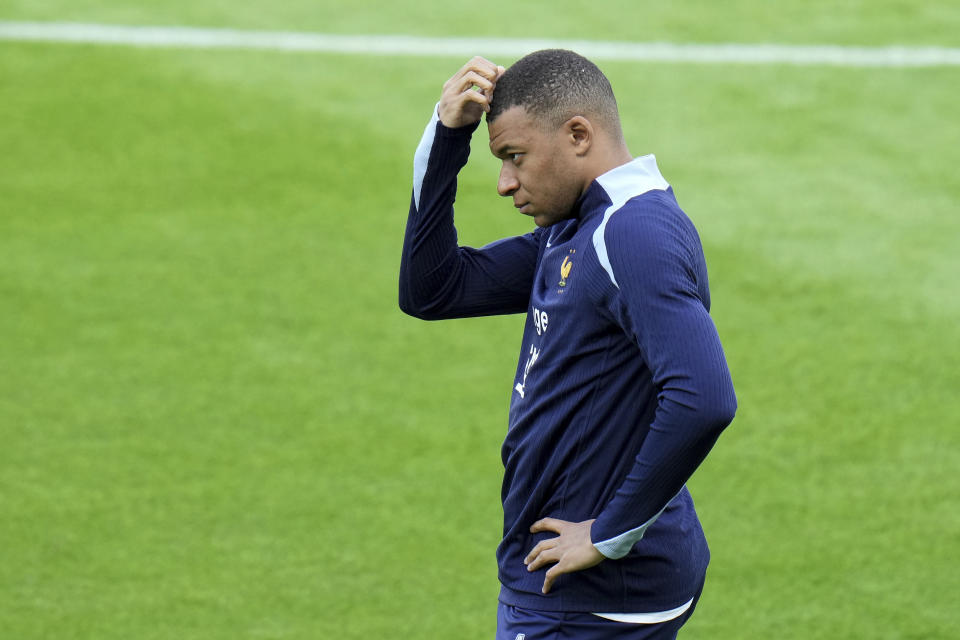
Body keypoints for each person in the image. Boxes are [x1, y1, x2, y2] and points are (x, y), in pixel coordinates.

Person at [398, 50, 737, 639]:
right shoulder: (579, 229)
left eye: (514, 157)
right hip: (575, 586)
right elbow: (433, 289)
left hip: (587, 597)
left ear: (578, 134)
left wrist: (609, 533)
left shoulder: (631, 235)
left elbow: (704, 397)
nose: (505, 183)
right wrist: (447, 135)